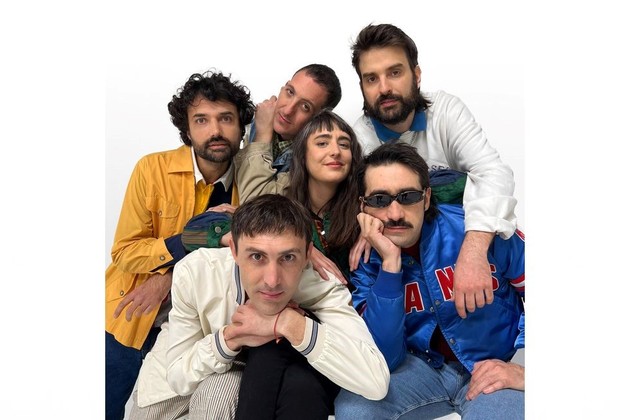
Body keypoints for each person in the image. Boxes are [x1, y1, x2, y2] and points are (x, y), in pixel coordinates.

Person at [129, 194, 390, 419]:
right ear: (234, 250)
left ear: (307, 254)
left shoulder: (323, 285)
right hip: (183, 370)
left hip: (249, 377)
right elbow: (177, 375)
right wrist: (231, 337)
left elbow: (375, 381)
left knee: (221, 393)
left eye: (288, 257)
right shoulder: (196, 272)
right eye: (257, 256)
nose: (272, 280)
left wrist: (288, 323)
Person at [334, 142, 525, 419]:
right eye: (379, 200)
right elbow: (385, 358)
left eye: (408, 197)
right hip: (420, 370)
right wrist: (390, 264)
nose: (395, 214)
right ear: (363, 207)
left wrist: (524, 371)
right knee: (354, 410)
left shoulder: (480, 231)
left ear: (426, 198)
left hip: (492, 368)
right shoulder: (365, 261)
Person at [105, 70, 255, 420]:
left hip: (198, 328)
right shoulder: (152, 169)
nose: (215, 130)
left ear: (241, 127)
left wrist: (170, 278)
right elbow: (125, 252)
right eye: (201, 120)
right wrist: (190, 242)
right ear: (186, 129)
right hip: (132, 314)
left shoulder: (250, 185)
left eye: (226, 119)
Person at [349, 23, 518, 319]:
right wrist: (363, 218)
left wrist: (474, 250)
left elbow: (493, 173)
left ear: (416, 75)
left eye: (395, 72)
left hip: (458, 248)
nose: (384, 88)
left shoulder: (446, 111)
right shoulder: (356, 139)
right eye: (371, 78)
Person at [241, 63, 342, 175]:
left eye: (305, 107)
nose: (287, 111)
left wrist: (262, 136)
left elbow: (253, 186)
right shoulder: (254, 119)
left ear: (319, 119)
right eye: (290, 92)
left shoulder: (311, 165)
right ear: (283, 88)